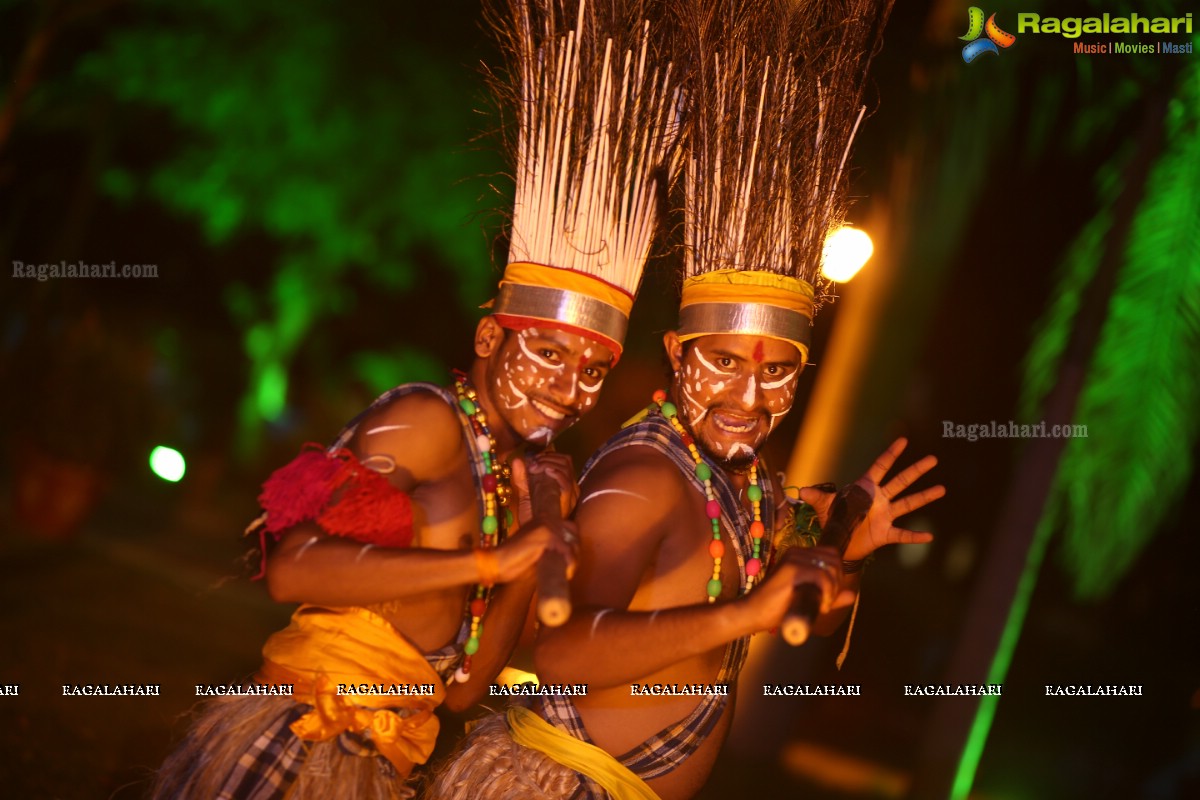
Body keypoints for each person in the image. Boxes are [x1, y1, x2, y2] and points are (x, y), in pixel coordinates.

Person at [150, 0, 680, 795]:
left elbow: (464, 691)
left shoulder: (512, 479)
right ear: (489, 338)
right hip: (301, 741)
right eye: (547, 351)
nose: (566, 389)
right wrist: (487, 559)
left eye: (593, 371)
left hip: (383, 764)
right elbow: (293, 568)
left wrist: (537, 541)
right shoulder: (425, 420)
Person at [424, 1, 935, 797]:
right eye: (723, 362)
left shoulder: (752, 492)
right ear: (676, 354)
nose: (746, 395)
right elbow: (558, 651)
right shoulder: (647, 476)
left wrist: (844, 547)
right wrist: (743, 618)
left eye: (775, 374)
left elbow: (807, 608)